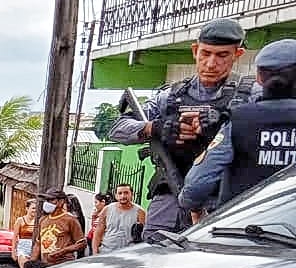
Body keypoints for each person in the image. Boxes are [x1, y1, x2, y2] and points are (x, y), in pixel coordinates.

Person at [109, 18, 258, 242]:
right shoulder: (171, 96)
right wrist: (155, 128)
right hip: (169, 194)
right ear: (195, 50)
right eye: (205, 53)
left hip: (224, 199)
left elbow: (270, 135)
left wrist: (227, 124)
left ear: (238, 54)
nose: (211, 63)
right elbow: (118, 129)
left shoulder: (251, 95)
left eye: (222, 55)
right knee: (153, 256)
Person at [181, 38, 296, 218]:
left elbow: (197, 184)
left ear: (259, 77)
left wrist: (194, 208)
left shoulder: (239, 119)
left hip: (242, 230)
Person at [30, 189, 85, 266]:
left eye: (51, 200)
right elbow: (38, 244)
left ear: (61, 201)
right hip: (46, 265)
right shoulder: (42, 220)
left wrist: (62, 252)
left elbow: (82, 243)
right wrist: (31, 263)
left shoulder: (70, 220)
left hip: (63, 265)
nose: (47, 203)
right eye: (46, 200)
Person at [93, 184, 146, 254]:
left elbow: (144, 235)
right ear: (116, 196)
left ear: (132, 195)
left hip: (128, 254)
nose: (123, 196)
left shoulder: (140, 212)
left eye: (126, 193)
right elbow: (98, 233)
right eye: (120, 193)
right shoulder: (107, 209)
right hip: (106, 252)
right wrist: (95, 252)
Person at [12, 199, 39, 268]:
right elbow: (15, 237)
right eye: (33, 208)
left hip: (34, 249)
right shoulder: (20, 220)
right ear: (27, 208)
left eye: (36, 208)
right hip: (22, 248)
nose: (35, 210)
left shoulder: (38, 221)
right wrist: (13, 252)